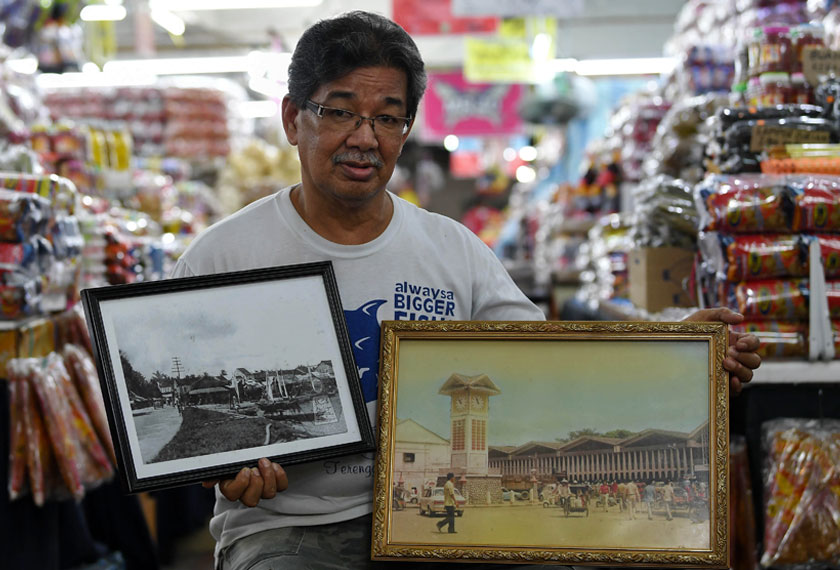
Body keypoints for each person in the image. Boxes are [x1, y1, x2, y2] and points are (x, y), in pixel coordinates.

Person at [172, 10, 761, 569]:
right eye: (340, 112)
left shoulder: (452, 251)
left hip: (436, 514)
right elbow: (185, 420)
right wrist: (222, 468)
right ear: (292, 118)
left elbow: (553, 361)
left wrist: (678, 353)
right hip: (286, 524)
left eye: (387, 117)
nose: (364, 137)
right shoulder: (223, 257)